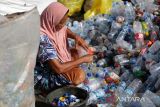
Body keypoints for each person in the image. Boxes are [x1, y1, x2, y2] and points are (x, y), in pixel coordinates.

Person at [34, 2, 93, 92]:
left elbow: (64, 30)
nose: (62, 26)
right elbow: (59, 68)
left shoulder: (51, 25)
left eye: (64, 23)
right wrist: (83, 60)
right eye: (61, 23)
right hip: (45, 76)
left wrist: (75, 37)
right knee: (79, 75)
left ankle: (70, 69)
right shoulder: (44, 40)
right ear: (52, 20)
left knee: (76, 52)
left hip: (54, 65)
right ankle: (60, 90)